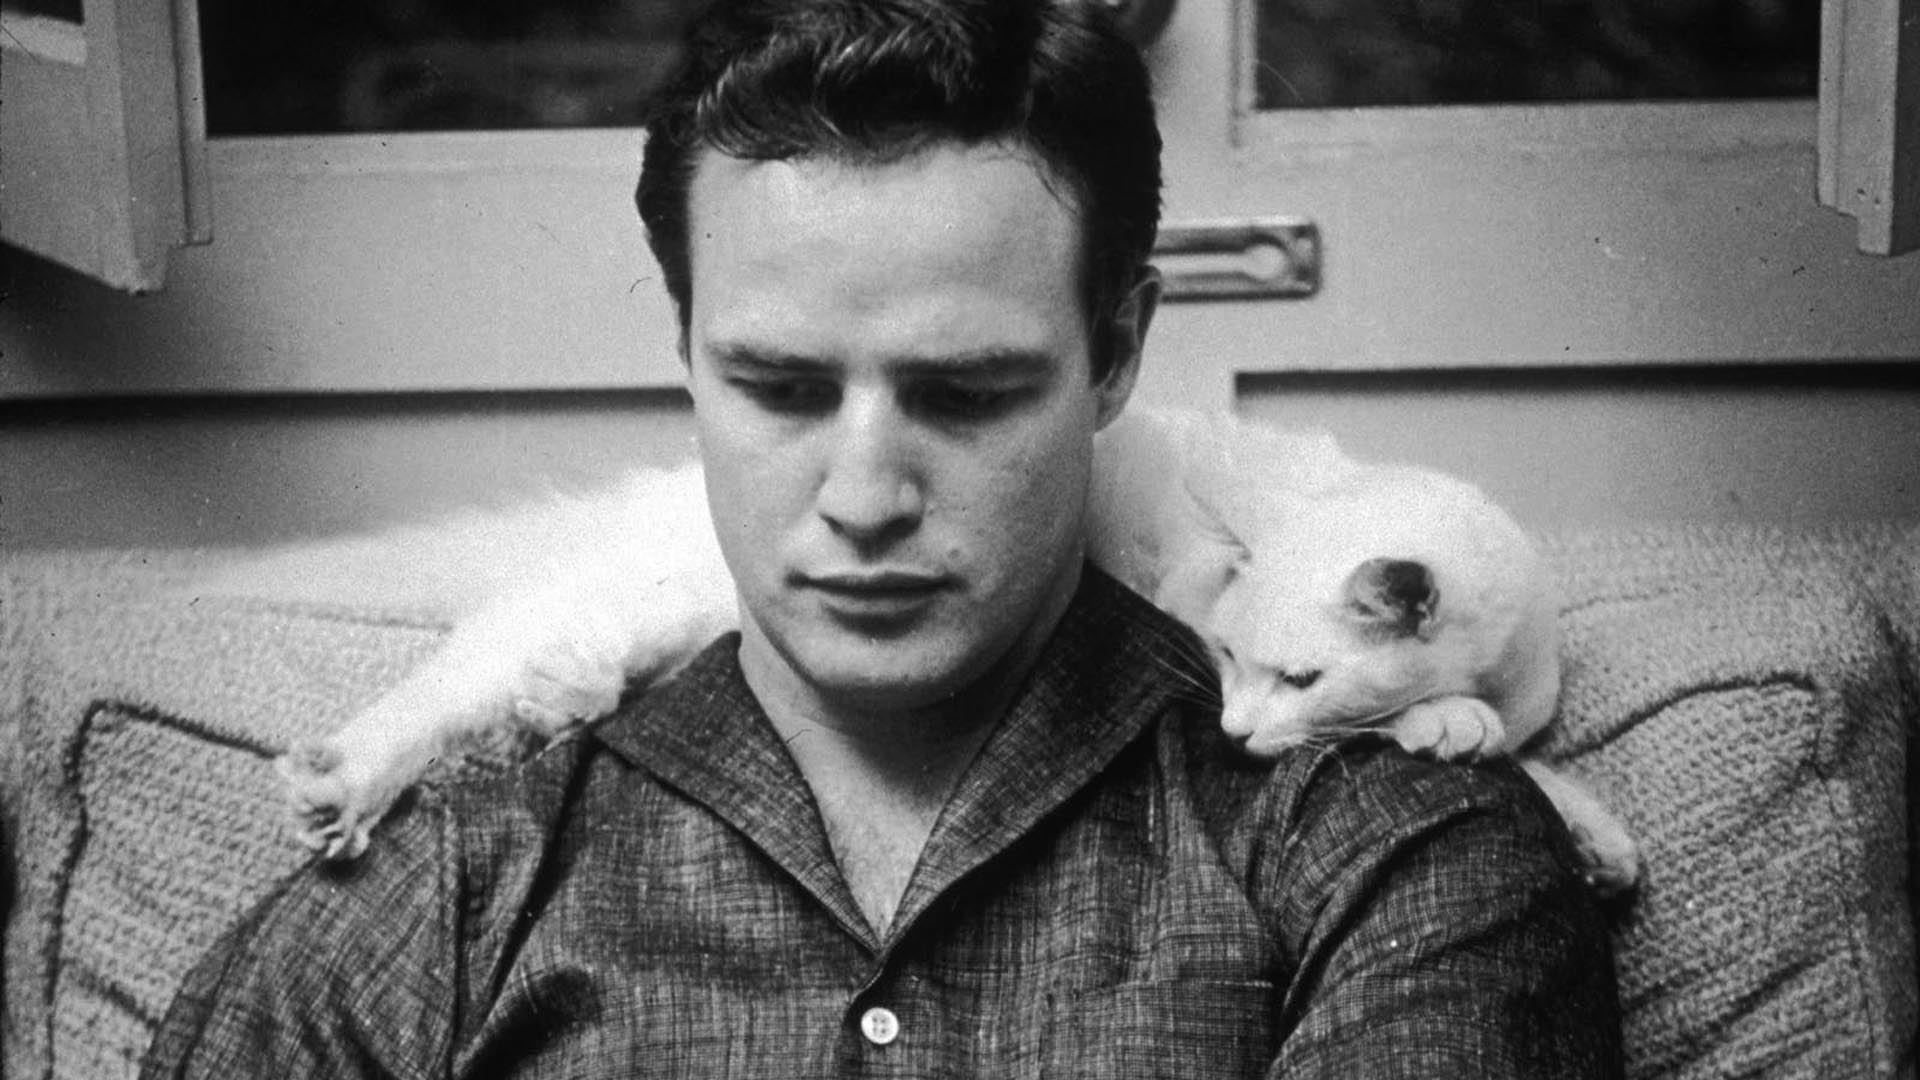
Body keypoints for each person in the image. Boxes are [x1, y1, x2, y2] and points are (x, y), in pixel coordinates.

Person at [141, 1, 1623, 1076]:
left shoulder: (1390, 845)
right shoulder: (455, 876)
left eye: (964, 393)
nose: (863, 499)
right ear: (686, 361)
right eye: (782, 390)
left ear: (1116, 356)